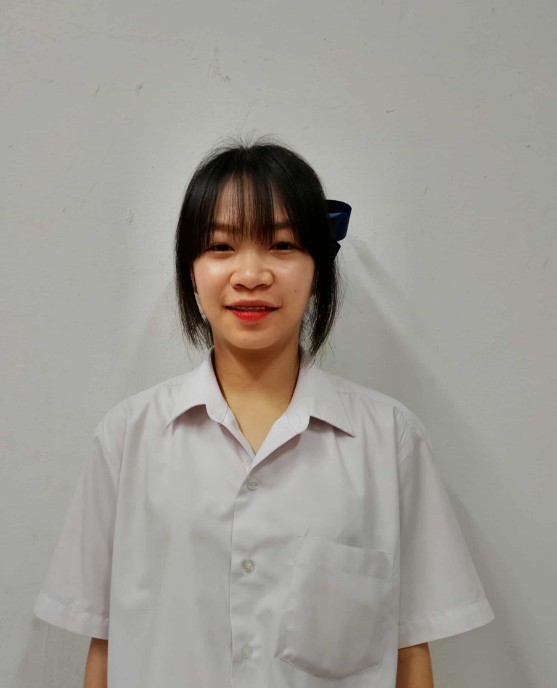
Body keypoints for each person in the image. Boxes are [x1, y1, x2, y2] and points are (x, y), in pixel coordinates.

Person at [34, 139, 495, 688]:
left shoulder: (389, 438)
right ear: (191, 269)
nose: (250, 274)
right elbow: (105, 643)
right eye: (221, 246)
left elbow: (411, 652)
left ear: (318, 267)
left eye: (281, 245)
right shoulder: (127, 436)